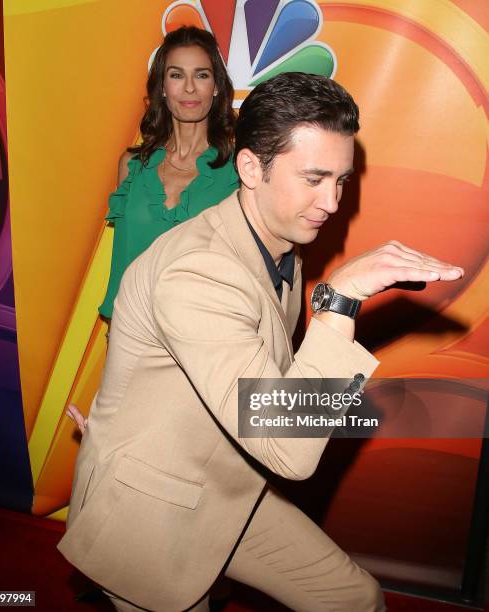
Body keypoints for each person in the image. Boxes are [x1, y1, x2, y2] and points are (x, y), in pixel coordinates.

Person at [58, 73, 463, 611]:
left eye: (340, 181)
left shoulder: (281, 245)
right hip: (150, 509)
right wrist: (339, 299)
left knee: (353, 598)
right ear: (251, 168)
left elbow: (260, 377)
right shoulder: (199, 270)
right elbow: (289, 450)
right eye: (315, 178)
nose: (332, 202)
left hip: (228, 485)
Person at [66, 25, 238, 433]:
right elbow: (121, 263)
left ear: (216, 86)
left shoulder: (238, 170)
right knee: (117, 451)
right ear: (162, 87)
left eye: (202, 74)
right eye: (176, 74)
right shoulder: (133, 166)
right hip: (131, 339)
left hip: (203, 344)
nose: (189, 87)